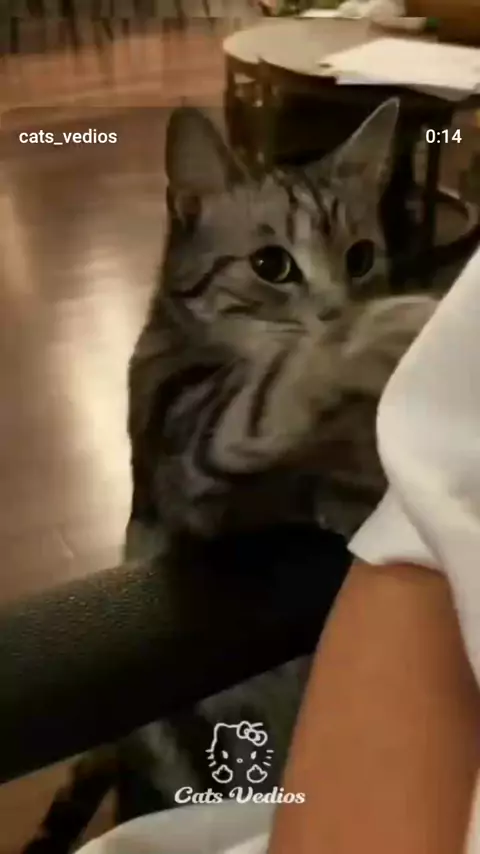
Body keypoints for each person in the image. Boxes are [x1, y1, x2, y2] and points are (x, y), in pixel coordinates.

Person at [79, 244, 480, 854]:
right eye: (272, 269)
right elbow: (194, 482)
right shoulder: (173, 364)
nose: (329, 299)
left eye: (357, 260)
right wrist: (333, 363)